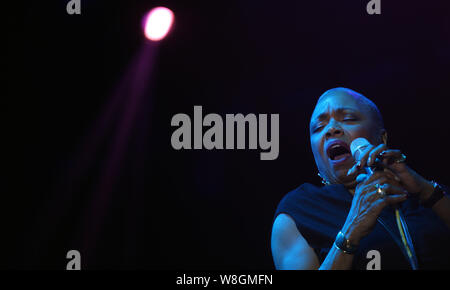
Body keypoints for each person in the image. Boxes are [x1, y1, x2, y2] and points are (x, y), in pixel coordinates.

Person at [271, 87, 450, 270]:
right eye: (318, 127)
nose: (331, 129)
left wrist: (428, 192)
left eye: (348, 118)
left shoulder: (427, 194)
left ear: (381, 138)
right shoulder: (300, 210)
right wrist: (351, 231)